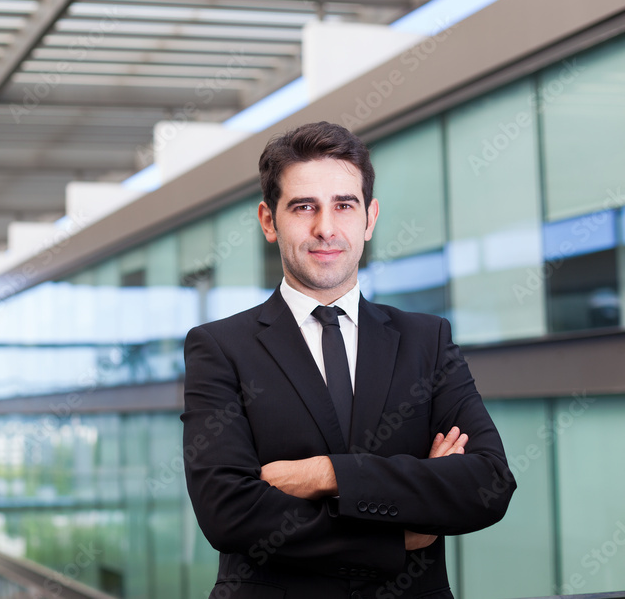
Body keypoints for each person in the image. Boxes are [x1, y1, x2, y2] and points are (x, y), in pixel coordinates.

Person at [182, 121, 515, 599]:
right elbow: (230, 512)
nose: (326, 228)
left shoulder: (427, 340)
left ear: (369, 218)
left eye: (344, 205)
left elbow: (488, 482)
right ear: (269, 221)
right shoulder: (219, 347)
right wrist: (400, 532)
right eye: (303, 207)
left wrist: (325, 474)